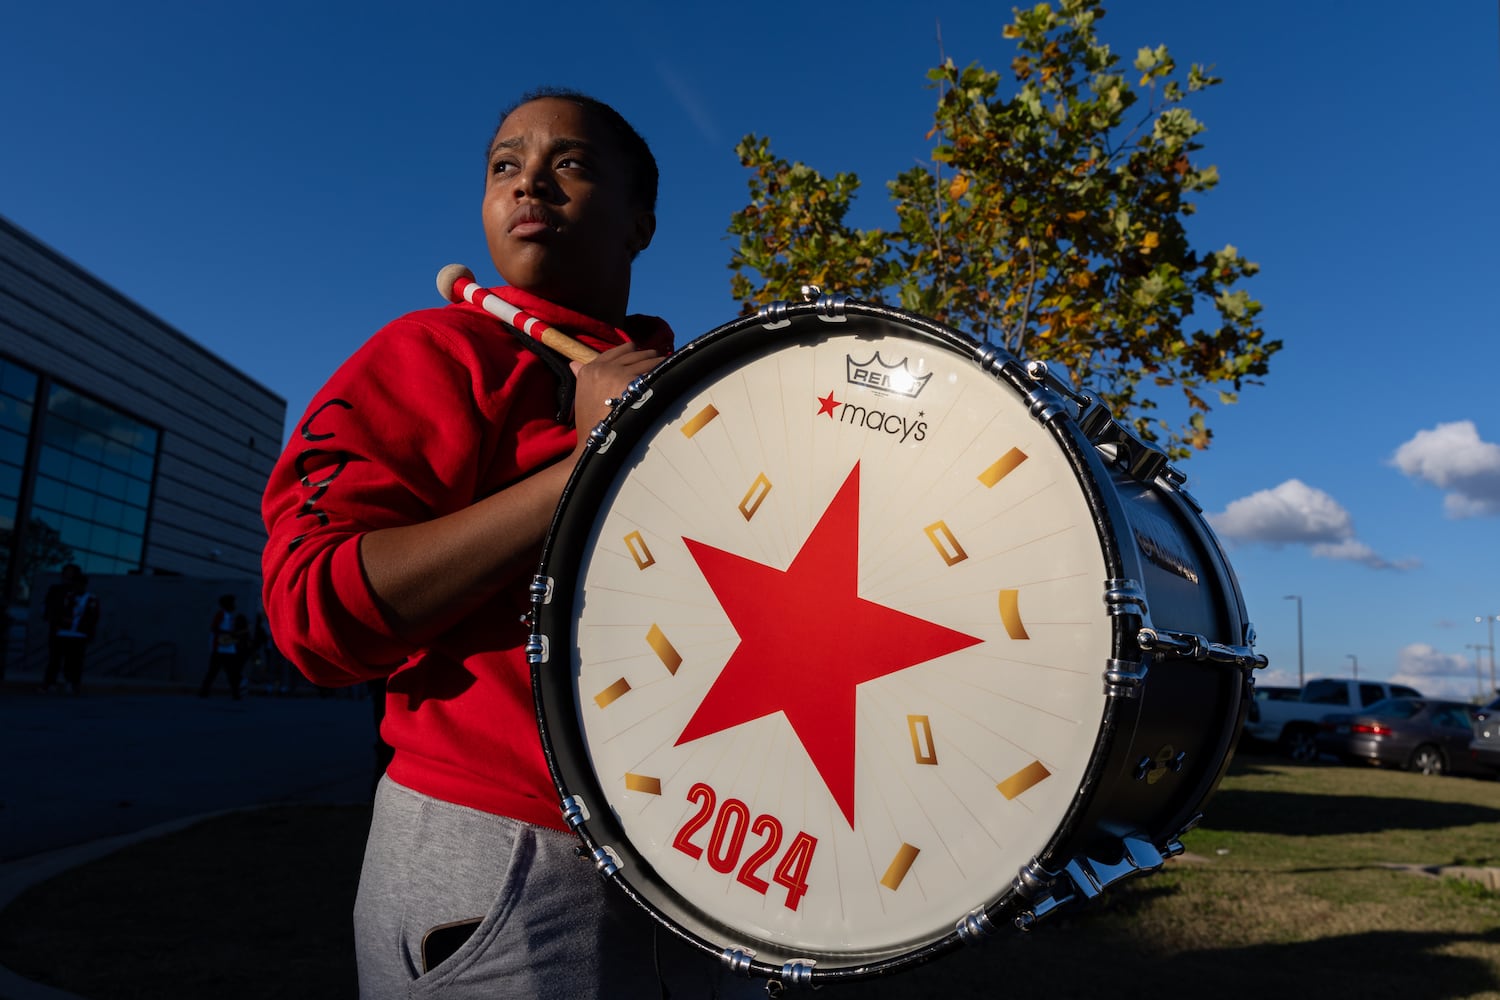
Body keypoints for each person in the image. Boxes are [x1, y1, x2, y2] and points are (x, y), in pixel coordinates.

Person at [262, 90, 750, 999]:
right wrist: (592, 463)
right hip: (508, 855)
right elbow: (312, 611)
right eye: (504, 164)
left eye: (571, 162)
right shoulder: (433, 352)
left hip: (705, 861)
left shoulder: (703, 395)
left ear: (640, 223)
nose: (529, 180)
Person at [42, 565, 99, 695]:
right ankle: (50, 683)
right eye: (67, 573)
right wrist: (57, 621)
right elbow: (52, 609)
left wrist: (88, 631)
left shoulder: (90, 598)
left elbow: (93, 616)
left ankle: (71, 683)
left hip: (78, 634)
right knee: (55, 658)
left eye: (72, 575)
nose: (69, 577)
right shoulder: (60, 592)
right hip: (61, 631)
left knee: (74, 660)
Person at [199, 594, 249, 699]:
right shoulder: (221, 615)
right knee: (214, 671)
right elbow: (214, 628)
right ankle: (204, 691)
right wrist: (229, 634)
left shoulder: (229, 616)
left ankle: (235, 693)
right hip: (220, 649)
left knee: (231, 673)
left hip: (228, 649)